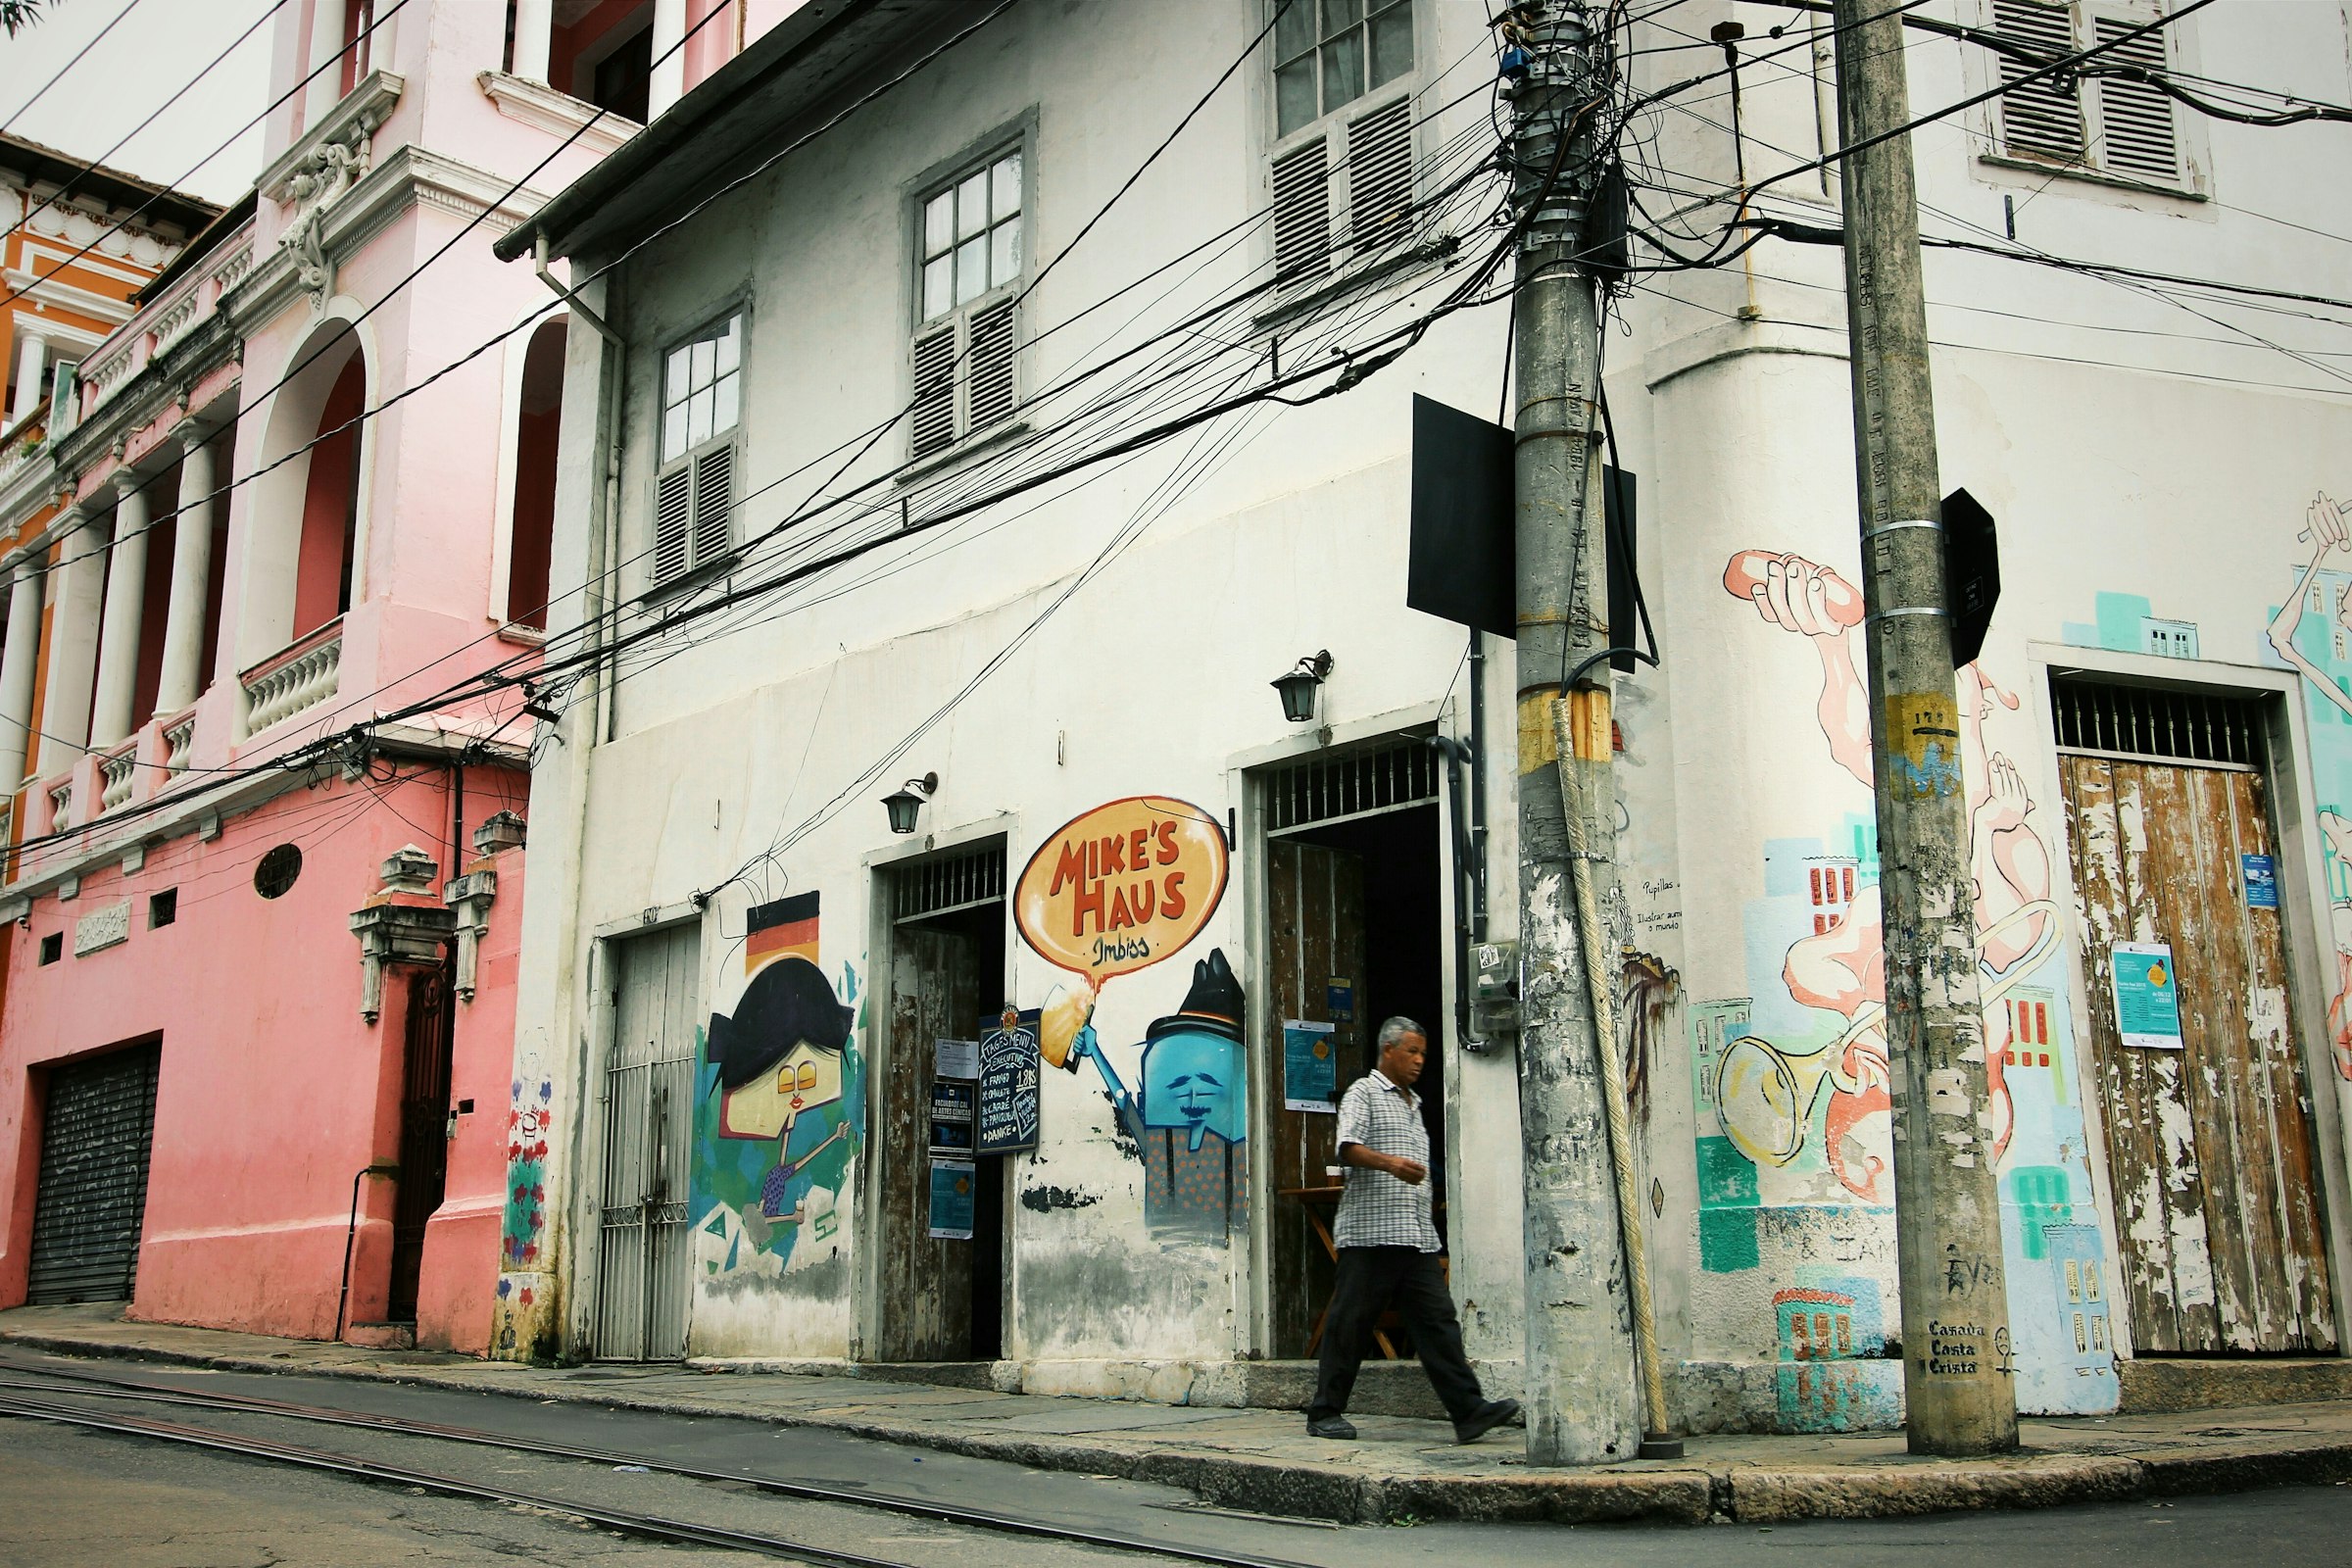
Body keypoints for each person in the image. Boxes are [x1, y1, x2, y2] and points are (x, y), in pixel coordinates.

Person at [1305, 1016, 1519, 1444]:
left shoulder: (1414, 1103)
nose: (1420, 1060)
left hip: (1415, 1237)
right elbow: (1346, 1147)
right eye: (1412, 1052)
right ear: (1388, 1051)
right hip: (1371, 1235)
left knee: (1438, 1323)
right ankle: (1325, 1411)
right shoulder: (1363, 1093)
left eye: (1423, 1053)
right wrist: (1391, 1163)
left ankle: (1468, 1410)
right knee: (1350, 1322)